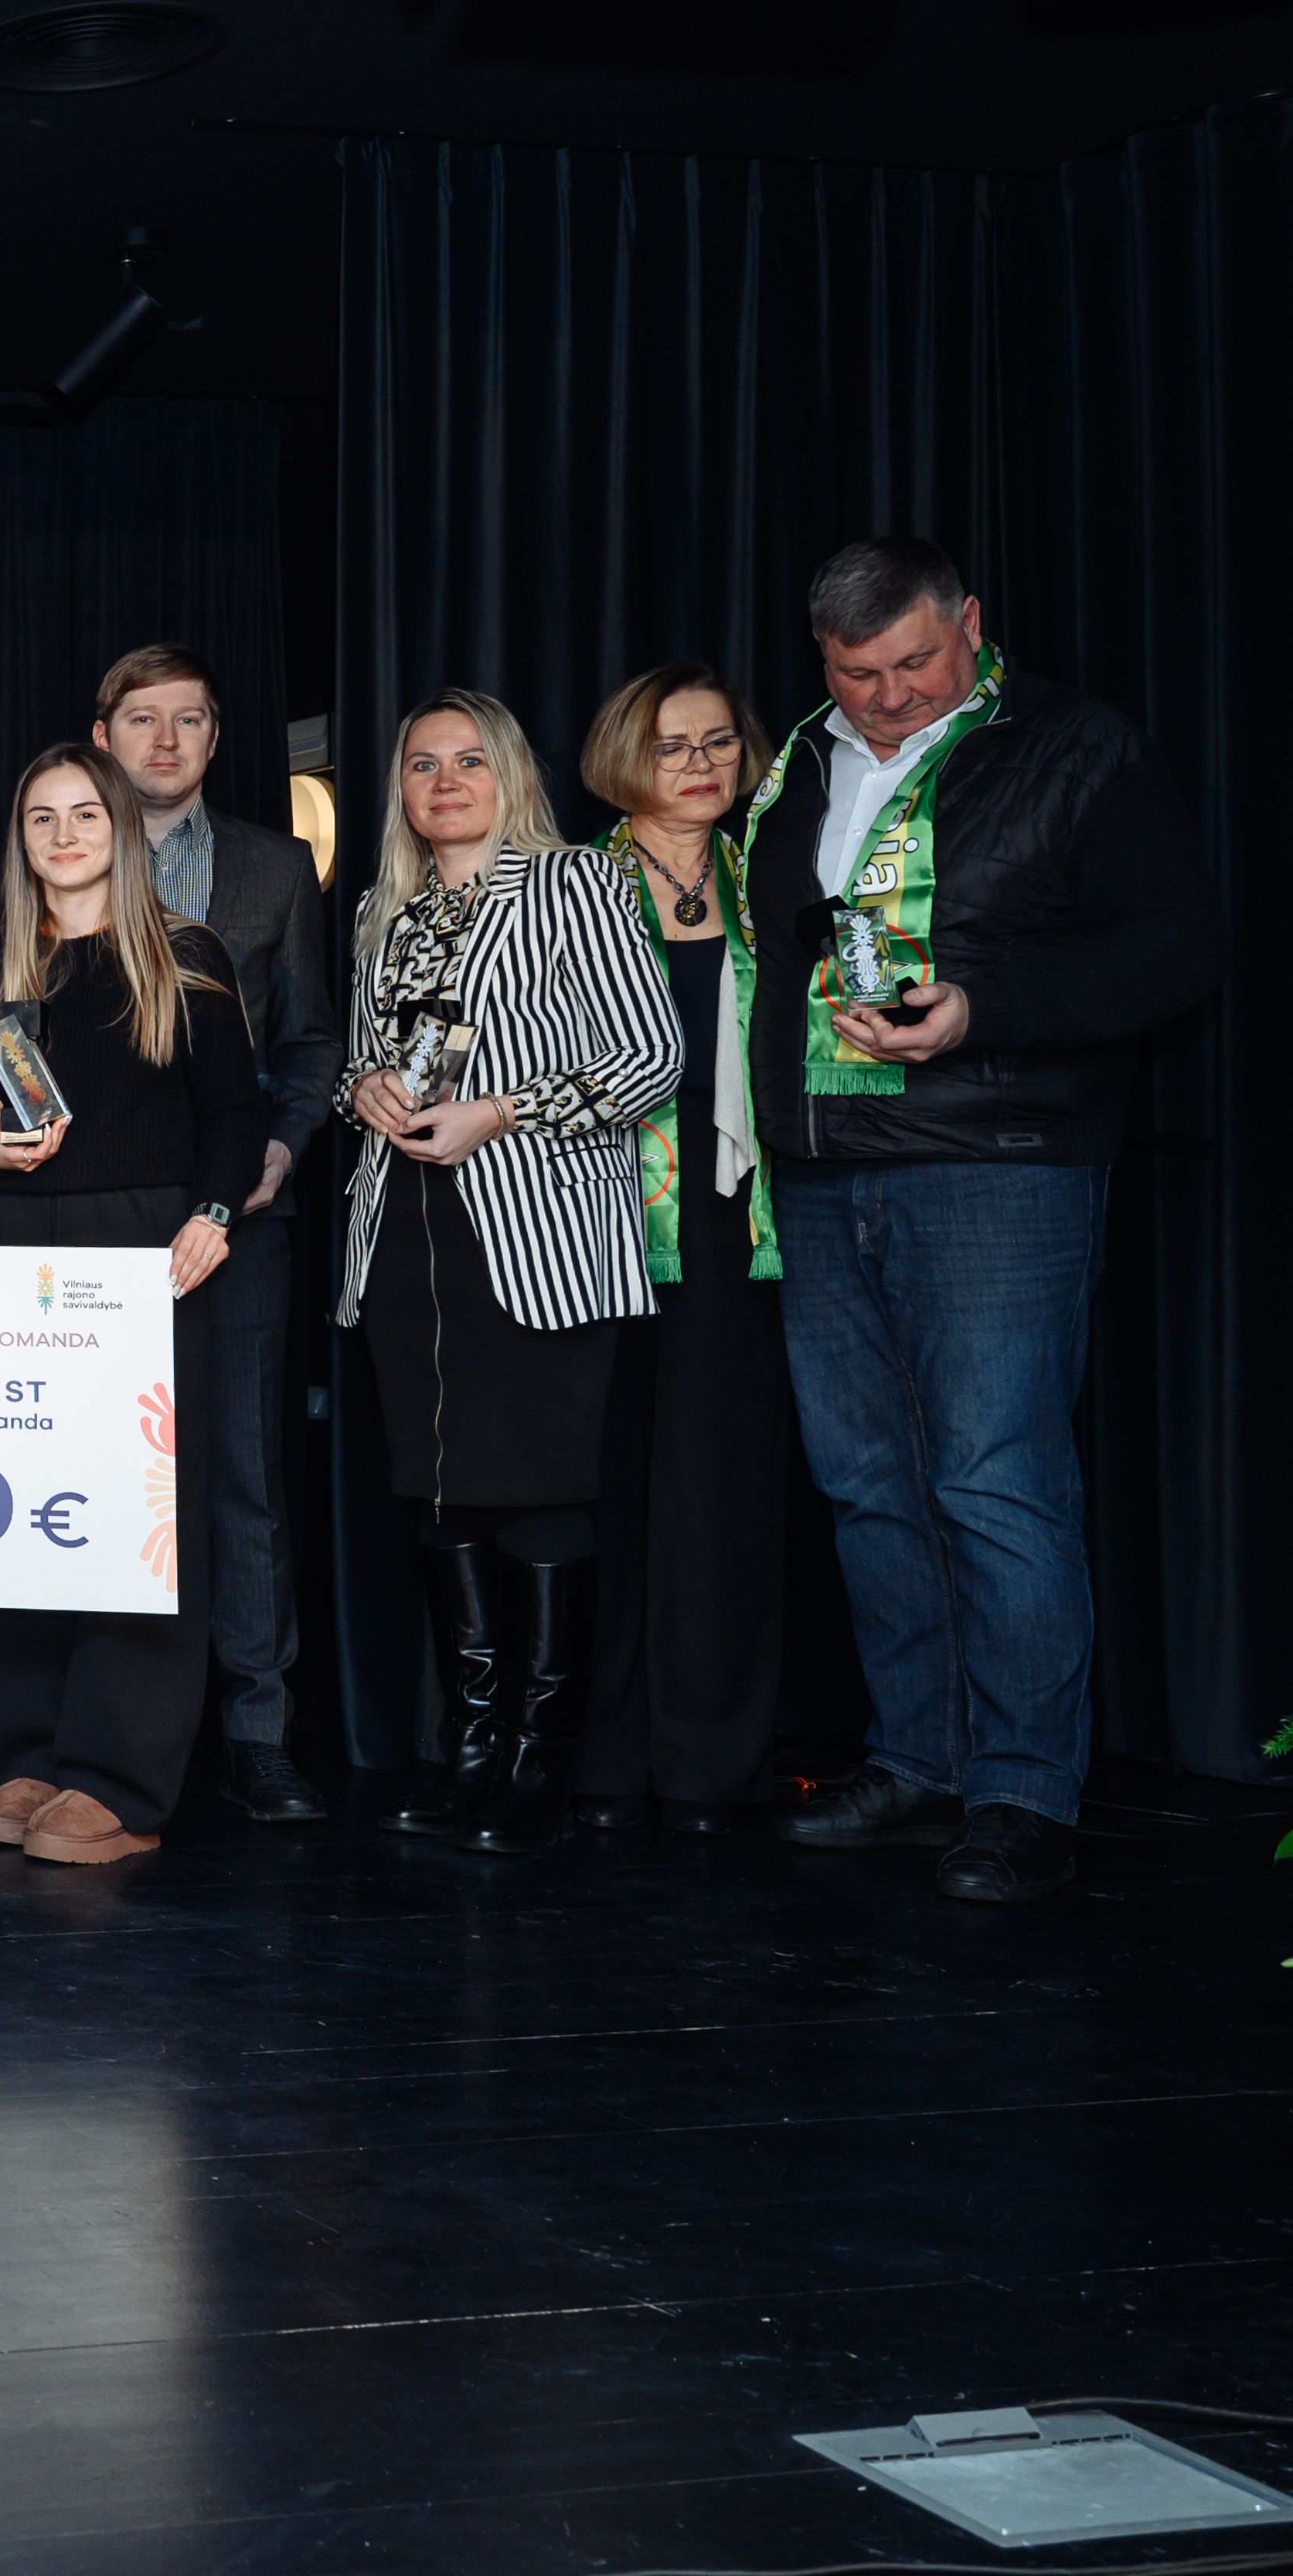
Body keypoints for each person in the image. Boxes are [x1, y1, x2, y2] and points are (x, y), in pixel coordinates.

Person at [747, 537, 1217, 1901]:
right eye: (858, 673)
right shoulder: (799, 760)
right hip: (821, 1163)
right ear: (821, 660)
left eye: (914, 663)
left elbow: (1175, 949)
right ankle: (918, 1757)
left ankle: (1020, 1792)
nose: (890, 695)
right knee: (866, 1482)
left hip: (996, 1161)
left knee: (992, 1479)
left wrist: (979, 1010)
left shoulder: (1074, 745)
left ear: (967, 623)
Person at [329, 689, 678, 1858]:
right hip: (405, 1233)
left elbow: (652, 1056)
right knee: (441, 1492)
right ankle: (472, 1750)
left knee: (538, 1489)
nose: (444, 782)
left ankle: (538, 1758)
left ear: (510, 774)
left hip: (535, 1232)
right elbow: (362, 1062)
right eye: (422, 763)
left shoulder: (577, 884)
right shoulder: (384, 906)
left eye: (469, 760)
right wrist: (362, 1089)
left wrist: (503, 1111)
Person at [0, 746, 264, 1863]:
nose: (63, 835)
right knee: (19, 1503)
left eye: (84, 813)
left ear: (122, 827)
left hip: (148, 1253)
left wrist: (215, 1213)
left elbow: (234, 1110)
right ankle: (30, 1754)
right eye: (41, 818)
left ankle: (119, 1779)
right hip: (13, 1248)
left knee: (137, 1510)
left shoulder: (186, 956)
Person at [93, 643, 341, 1821]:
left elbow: (309, 1042)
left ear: (213, 737)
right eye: (141, 719)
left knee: (243, 1478)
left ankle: (257, 1732)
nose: (164, 741)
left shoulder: (273, 867)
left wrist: (279, 1150)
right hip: (97, 1221)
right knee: (104, 1474)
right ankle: (114, 1732)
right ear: (103, 734)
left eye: (187, 720)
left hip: (242, 1218)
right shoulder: (64, 848)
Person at [573, 663, 789, 1834]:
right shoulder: (574, 887)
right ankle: (602, 1759)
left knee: (720, 1493)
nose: (700, 765)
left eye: (718, 743)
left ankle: (711, 1762)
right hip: (594, 1219)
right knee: (603, 1489)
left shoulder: (775, 873)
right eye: (672, 746)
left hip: (736, 1226)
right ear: (626, 759)